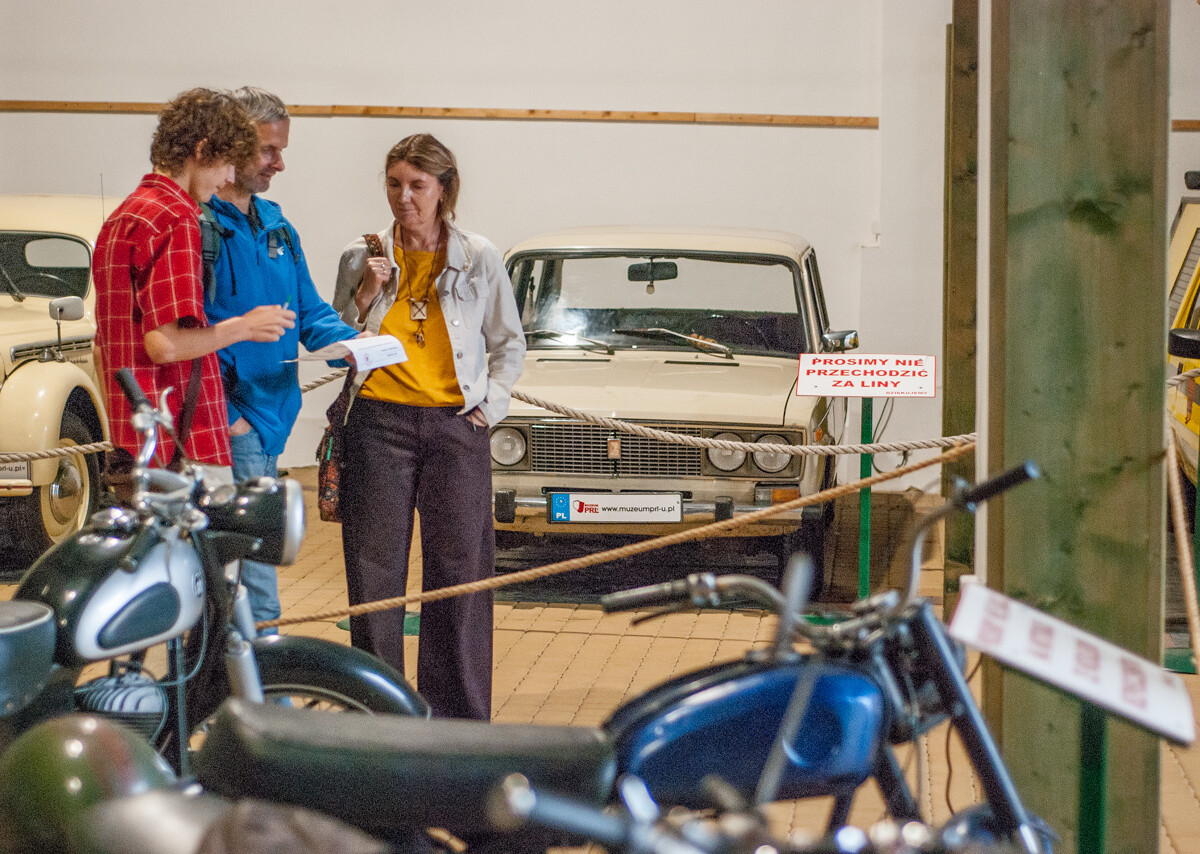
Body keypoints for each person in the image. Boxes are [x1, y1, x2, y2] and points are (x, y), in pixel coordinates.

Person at [332, 133, 526, 720]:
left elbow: (508, 344)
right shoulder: (359, 255)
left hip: (455, 428)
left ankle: (457, 718)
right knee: (374, 575)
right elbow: (336, 344)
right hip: (378, 422)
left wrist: (489, 409)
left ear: (444, 190)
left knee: (460, 575)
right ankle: (380, 714)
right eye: (394, 184)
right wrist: (366, 295)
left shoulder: (479, 256)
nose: (404, 197)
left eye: (418, 185)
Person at [204, 87, 359, 631]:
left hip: (272, 424)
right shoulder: (200, 227)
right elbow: (183, 336)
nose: (279, 163)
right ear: (232, 143)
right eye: (268, 150)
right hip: (232, 427)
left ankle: (235, 675)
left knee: (246, 576)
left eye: (281, 150)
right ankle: (257, 680)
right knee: (252, 588)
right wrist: (230, 420)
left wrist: (358, 347)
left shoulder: (276, 225)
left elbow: (310, 314)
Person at [93, 88, 295, 481]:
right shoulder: (177, 217)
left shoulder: (125, 214)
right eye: (226, 164)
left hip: (134, 436)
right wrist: (245, 326)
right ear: (202, 151)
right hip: (180, 441)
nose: (229, 178)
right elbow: (165, 344)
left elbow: (105, 347)